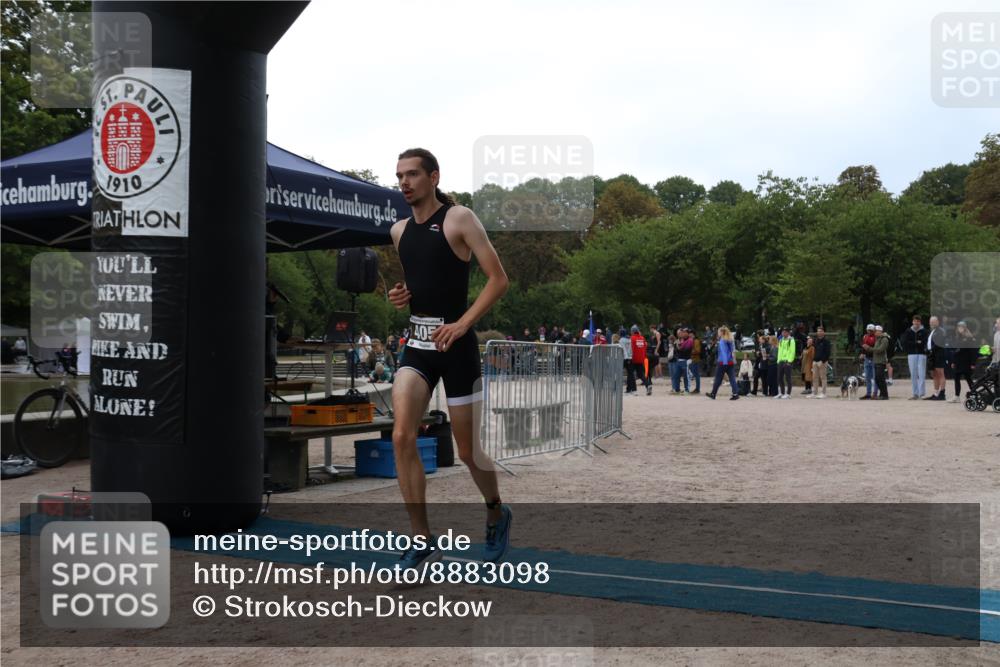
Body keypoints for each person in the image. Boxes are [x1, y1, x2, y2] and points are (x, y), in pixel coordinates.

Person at [387, 147, 511, 570]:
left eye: (412, 175)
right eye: (399, 175)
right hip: (418, 345)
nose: (404, 182)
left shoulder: (460, 219)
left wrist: (462, 324)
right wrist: (402, 297)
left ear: (433, 177)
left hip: (457, 346)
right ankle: (421, 542)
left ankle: (495, 510)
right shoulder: (399, 231)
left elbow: (499, 280)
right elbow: (418, 287)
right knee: (402, 435)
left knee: (467, 451)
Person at [706, 326, 739, 400]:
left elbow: (724, 352)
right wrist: (733, 359)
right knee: (732, 378)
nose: (718, 333)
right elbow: (733, 351)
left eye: (718, 332)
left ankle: (713, 394)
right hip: (730, 361)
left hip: (723, 362)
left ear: (721, 332)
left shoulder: (722, 341)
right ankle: (735, 393)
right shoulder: (730, 340)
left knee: (718, 378)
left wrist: (724, 362)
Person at [950, 321, 978, 403]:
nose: (960, 329)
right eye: (959, 327)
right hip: (958, 362)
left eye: (962, 327)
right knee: (956, 378)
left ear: (965, 328)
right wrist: (953, 362)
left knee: (968, 379)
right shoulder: (957, 338)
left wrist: (973, 363)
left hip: (966, 362)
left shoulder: (970, 338)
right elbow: (955, 351)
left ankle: (975, 393)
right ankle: (957, 396)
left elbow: (973, 352)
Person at [925, 316, 947, 400]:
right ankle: (936, 393)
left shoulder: (941, 331)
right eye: (930, 322)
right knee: (934, 374)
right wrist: (927, 350)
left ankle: (942, 393)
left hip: (939, 354)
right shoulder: (932, 331)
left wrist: (930, 350)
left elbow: (938, 343)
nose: (932, 323)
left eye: (933, 322)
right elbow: (929, 342)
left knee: (940, 373)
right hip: (932, 355)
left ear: (937, 322)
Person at [627, 325, 652, 396]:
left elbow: (631, 349)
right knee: (641, 374)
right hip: (641, 359)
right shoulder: (642, 338)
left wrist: (630, 358)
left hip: (633, 359)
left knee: (631, 374)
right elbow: (644, 348)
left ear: (632, 331)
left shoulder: (632, 338)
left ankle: (633, 390)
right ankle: (648, 385)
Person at [811, 327, 831, 399]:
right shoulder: (815, 341)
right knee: (814, 378)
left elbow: (828, 353)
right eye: (818, 331)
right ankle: (815, 393)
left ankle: (823, 393)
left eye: (820, 331)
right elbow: (813, 351)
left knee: (823, 377)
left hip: (822, 362)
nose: (819, 332)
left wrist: (822, 361)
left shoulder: (826, 342)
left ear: (823, 332)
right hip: (815, 362)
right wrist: (813, 360)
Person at [776, 326, 796, 399]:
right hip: (781, 361)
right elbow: (779, 351)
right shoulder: (781, 340)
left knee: (788, 378)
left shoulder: (791, 340)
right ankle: (781, 393)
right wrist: (778, 360)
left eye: (785, 332)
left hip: (787, 361)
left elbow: (792, 351)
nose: (783, 333)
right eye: (782, 332)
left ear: (788, 333)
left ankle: (788, 394)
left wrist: (789, 361)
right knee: (779, 378)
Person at [672, 328, 692, 394]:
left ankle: (687, 390)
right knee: (676, 375)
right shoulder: (682, 340)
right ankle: (677, 389)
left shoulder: (689, 340)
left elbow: (685, 351)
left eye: (684, 332)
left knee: (686, 376)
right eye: (682, 332)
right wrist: (677, 346)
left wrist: (678, 347)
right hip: (679, 360)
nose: (682, 333)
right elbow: (677, 351)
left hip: (686, 360)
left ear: (687, 333)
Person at [872, 325, 890, 400]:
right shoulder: (878, 339)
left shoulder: (884, 339)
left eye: (875, 331)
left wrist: (870, 349)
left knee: (881, 378)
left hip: (881, 361)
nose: (874, 333)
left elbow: (880, 349)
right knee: (877, 378)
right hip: (876, 361)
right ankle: (882, 393)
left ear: (880, 331)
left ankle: (885, 394)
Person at [859, 324, 876, 399]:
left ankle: (874, 393)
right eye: (868, 330)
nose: (869, 332)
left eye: (871, 330)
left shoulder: (876, 337)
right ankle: (868, 393)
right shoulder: (865, 336)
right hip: (867, 358)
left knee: (875, 377)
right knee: (867, 377)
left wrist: (868, 348)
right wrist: (862, 353)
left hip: (874, 358)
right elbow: (863, 346)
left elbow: (875, 347)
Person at [687, 327, 701, 393]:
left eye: (690, 334)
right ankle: (697, 388)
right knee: (695, 374)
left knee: (696, 375)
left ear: (693, 334)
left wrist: (690, 351)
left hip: (695, 360)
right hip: (692, 359)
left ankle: (697, 388)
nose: (689, 335)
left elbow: (698, 351)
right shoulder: (692, 340)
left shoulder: (696, 341)